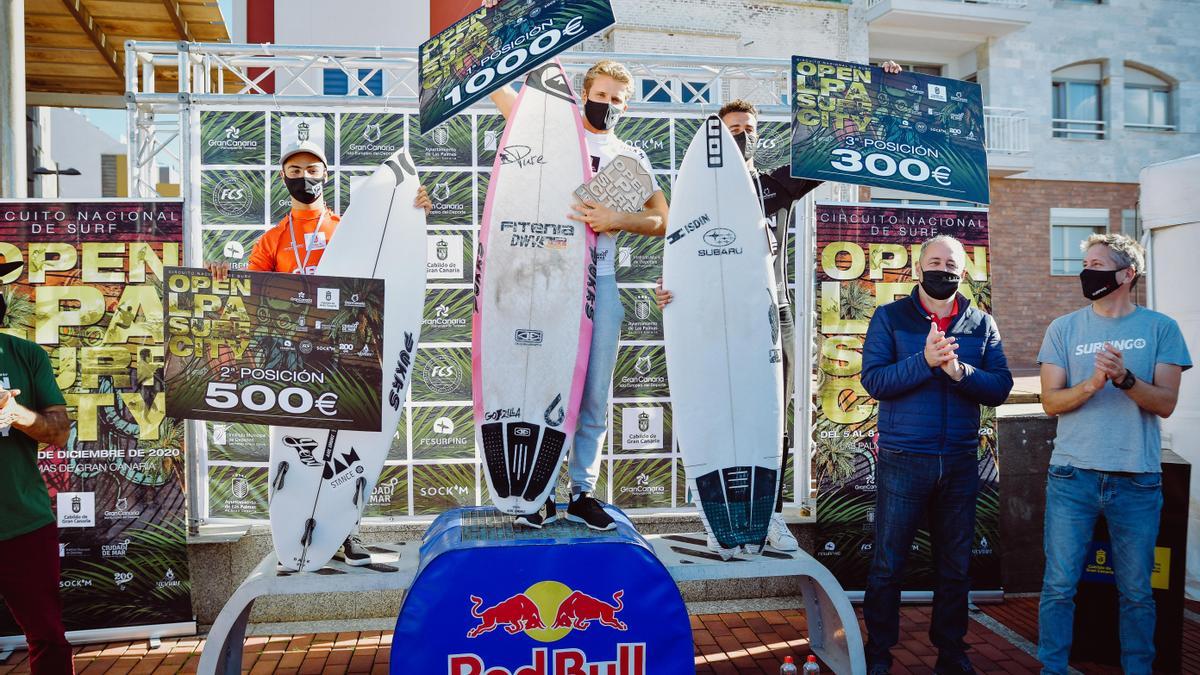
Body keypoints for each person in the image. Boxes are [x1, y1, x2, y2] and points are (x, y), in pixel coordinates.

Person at [655, 61, 901, 555]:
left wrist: (879, 90)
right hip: (704, 319)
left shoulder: (770, 187)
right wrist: (669, 292)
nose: (742, 138)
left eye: (749, 131)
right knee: (709, 405)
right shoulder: (691, 196)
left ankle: (766, 515)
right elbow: (676, 253)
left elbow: (832, 150)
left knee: (774, 410)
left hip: (770, 312)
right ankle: (714, 516)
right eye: (732, 131)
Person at [484, 1, 670, 531]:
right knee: (541, 384)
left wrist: (619, 217)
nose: (606, 104)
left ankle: (582, 490)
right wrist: (497, 27)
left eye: (617, 99)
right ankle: (537, 489)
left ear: (627, 107)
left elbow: (663, 220)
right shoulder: (551, 131)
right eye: (600, 94)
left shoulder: (631, 155)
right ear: (583, 93)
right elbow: (498, 89)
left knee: (594, 392)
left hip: (603, 284)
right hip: (545, 283)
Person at [209, 140, 432, 565]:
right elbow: (250, 293)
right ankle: (296, 534)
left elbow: (388, 261)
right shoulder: (272, 239)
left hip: (345, 352)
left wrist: (413, 210)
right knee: (299, 447)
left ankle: (348, 532)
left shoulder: (350, 229)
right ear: (283, 178)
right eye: (294, 171)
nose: (304, 177)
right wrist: (223, 275)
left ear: (326, 174)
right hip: (291, 356)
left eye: (312, 169)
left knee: (350, 446)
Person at [1036, 234, 1189, 675]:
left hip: (1137, 480)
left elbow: (1165, 403)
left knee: (1137, 591)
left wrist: (1124, 379)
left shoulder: (1161, 328)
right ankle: (1052, 668)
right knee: (1059, 585)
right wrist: (1091, 385)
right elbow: (1050, 402)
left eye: (1099, 264)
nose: (1088, 272)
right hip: (1072, 477)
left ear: (1127, 274)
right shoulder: (1063, 328)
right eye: (1086, 263)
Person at [859, 235, 1012, 675]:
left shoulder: (982, 324)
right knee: (888, 564)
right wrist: (923, 361)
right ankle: (879, 653)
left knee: (955, 568)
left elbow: (1000, 387)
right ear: (918, 267)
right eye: (934, 261)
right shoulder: (890, 318)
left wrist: (959, 371)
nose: (942, 269)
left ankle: (951, 652)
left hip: (960, 463)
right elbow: (875, 381)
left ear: (963, 272)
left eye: (951, 263)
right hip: (904, 460)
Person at [0, 259, 75, 674]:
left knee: (46, 636)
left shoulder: (25, 355)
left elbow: (59, 431)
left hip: (23, 522)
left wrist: (15, 413)